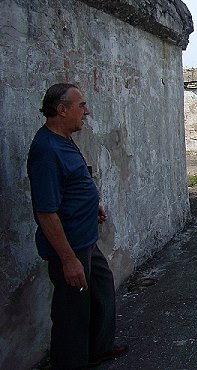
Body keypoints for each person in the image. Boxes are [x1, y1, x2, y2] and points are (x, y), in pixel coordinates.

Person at [27, 83, 128, 369]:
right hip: (69, 247)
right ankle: (70, 363)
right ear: (61, 110)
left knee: (102, 288)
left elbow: (73, 181)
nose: (87, 111)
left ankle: (97, 349)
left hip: (85, 238)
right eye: (81, 105)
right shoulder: (46, 150)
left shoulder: (65, 139)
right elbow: (46, 212)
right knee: (72, 312)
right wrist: (69, 260)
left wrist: (91, 204)